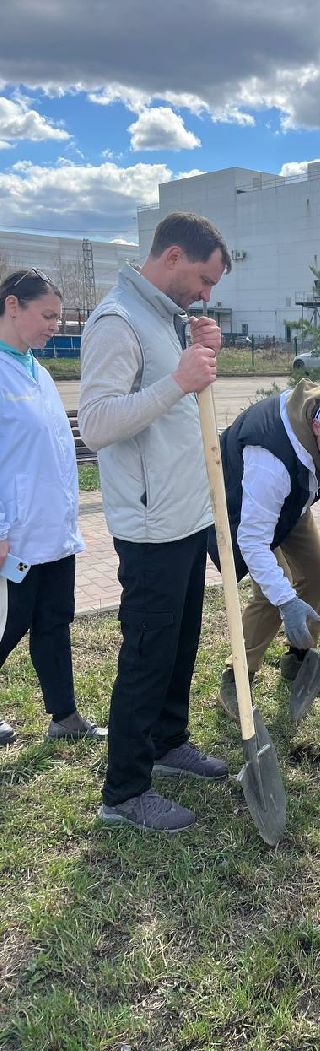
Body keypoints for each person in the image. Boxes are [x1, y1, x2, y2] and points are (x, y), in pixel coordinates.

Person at [79, 212, 231, 833]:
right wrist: (178, 380)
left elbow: (171, 413)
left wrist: (197, 348)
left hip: (186, 516)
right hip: (149, 527)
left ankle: (168, 744)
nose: (206, 293)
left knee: (180, 643)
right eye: (202, 278)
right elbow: (97, 425)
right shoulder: (116, 321)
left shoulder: (163, 318)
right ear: (171, 257)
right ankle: (124, 791)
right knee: (147, 654)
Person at [213, 381, 320, 718]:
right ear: (317, 427)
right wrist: (287, 601)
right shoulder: (270, 461)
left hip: (291, 503)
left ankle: (297, 660)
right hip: (245, 505)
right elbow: (252, 539)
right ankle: (237, 676)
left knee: (318, 571)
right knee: (269, 592)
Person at [0, 269, 105, 747]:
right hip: (13, 537)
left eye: (58, 319)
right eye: (47, 316)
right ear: (12, 306)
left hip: (52, 532)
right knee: (7, 626)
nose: (54, 327)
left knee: (54, 623)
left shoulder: (35, 370)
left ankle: (64, 716)